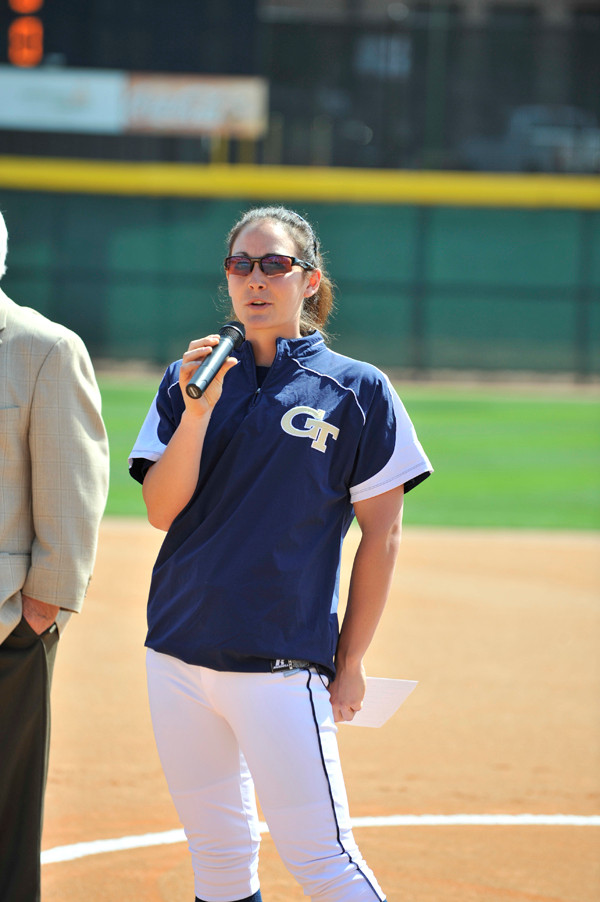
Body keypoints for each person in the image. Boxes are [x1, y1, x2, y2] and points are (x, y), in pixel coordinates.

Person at [129, 205, 432, 902]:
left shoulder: (356, 389)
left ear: (309, 280)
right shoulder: (190, 379)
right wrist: (197, 411)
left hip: (279, 663)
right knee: (218, 855)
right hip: (175, 652)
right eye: (241, 265)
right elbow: (160, 509)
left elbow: (381, 534)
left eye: (274, 265)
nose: (255, 280)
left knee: (323, 862)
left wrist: (351, 664)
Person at [0, 210, 109, 901]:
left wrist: (36, 614)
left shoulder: (43, 348)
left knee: (5, 820)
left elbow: (74, 489)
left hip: (6, 624)